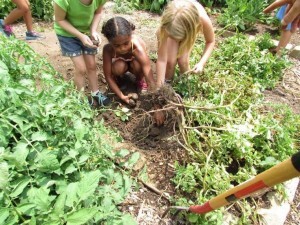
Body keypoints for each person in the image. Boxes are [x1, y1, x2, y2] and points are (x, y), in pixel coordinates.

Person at [54, 0, 110, 107]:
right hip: (67, 34)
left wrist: (93, 31)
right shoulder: (62, 1)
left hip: (87, 32)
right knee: (81, 68)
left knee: (91, 65)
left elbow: (98, 12)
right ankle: (80, 98)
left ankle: (95, 92)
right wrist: (80, 36)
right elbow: (60, 20)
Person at [156, 0, 215, 87]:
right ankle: (167, 84)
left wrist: (201, 64)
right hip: (175, 29)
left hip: (188, 29)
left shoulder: (202, 19)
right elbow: (162, 60)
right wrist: (159, 85)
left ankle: (185, 84)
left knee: (183, 61)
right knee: (170, 62)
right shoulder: (168, 23)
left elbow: (210, 41)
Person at [101, 16, 156, 105]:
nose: (122, 48)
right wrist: (122, 96)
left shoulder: (137, 47)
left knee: (138, 65)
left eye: (126, 43)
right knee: (118, 67)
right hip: (121, 64)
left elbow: (149, 76)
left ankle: (139, 80)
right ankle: (118, 79)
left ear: (131, 35)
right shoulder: (108, 49)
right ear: (109, 42)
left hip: (135, 64)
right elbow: (108, 76)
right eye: (117, 46)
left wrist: (156, 104)